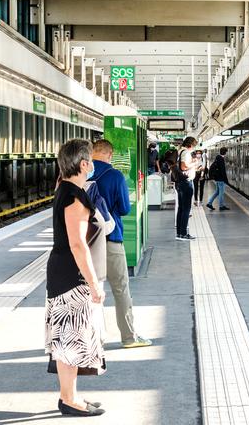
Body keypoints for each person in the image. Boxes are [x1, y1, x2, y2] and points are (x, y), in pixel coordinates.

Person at [45, 139, 106, 416]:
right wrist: (94, 284)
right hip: (71, 276)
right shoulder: (74, 197)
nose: (92, 165)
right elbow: (78, 244)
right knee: (70, 339)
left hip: (61, 272)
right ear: (84, 164)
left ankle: (69, 396)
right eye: (91, 161)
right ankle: (70, 401)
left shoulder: (64, 189)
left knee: (65, 339)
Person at [90, 139, 152, 348]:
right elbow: (125, 208)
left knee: (91, 291)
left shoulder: (82, 173)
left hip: (87, 241)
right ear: (110, 154)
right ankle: (129, 337)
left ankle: (94, 339)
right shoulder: (115, 175)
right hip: (110, 239)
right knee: (120, 289)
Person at [84, 179, 116, 345]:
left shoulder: (62, 190)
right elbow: (110, 226)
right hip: (93, 261)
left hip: (67, 267)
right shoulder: (92, 192)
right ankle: (96, 339)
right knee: (94, 302)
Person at [175, 137, 197, 239]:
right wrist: (194, 163)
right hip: (186, 182)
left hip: (181, 182)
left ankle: (179, 233)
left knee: (181, 208)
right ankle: (183, 233)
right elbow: (183, 167)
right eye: (194, 145)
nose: (194, 147)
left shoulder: (180, 151)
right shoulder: (186, 153)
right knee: (186, 209)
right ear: (190, 145)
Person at [206, 147, 230, 211]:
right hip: (220, 179)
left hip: (217, 178)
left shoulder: (217, 158)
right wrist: (226, 180)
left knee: (217, 192)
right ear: (225, 152)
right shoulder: (221, 159)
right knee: (221, 193)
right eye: (226, 152)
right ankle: (221, 206)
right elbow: (222, 170)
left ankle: (209, 203)